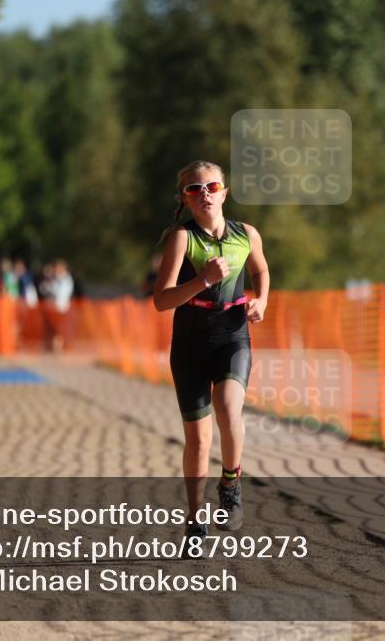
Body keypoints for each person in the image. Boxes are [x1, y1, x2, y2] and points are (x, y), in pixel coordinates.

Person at [153, 160, 269, 554]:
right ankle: (195, 521)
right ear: (185, 199)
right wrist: (203, 279)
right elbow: (161, 300)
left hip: (232, 334)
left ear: (224, 192)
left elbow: (261, 271)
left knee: (229, 408)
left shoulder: (246, 234)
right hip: (190, 341)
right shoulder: (182, 239)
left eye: (211, 187)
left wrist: (262, 301)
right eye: (194, 189)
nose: (204, 194)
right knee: (199, 439)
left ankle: (231, 485)